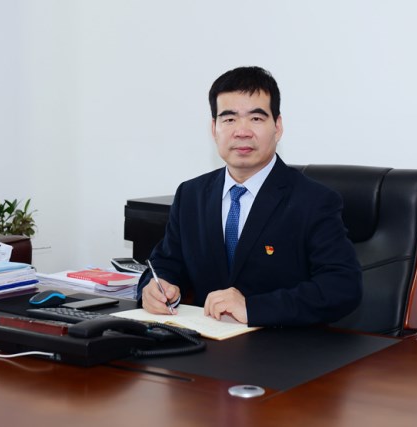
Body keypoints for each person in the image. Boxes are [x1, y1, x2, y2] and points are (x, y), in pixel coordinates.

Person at [137, 66, 362, 327]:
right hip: (203, 342)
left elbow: (342, 287)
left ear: (277, 126)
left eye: (256, 118)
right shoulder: (191, 195)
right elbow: (166, 263)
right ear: (214, 128)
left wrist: (253, 308)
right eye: (229, 119)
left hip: (280, 344)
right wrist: (155, 287)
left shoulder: (313, 201)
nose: (242, 131)